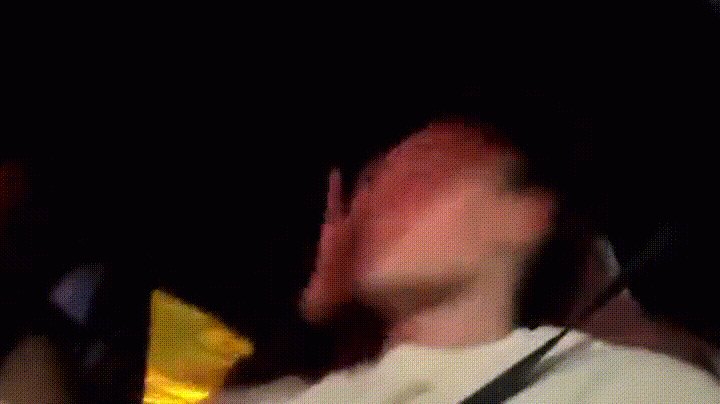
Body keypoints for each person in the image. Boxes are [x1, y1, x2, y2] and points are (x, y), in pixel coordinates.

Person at [212, 113, 719, 403]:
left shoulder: (630, 389)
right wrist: (316, 312)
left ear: (523, 216)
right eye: (370, 182)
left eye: (426, 170)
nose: (379, 196)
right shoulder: (295, 395)